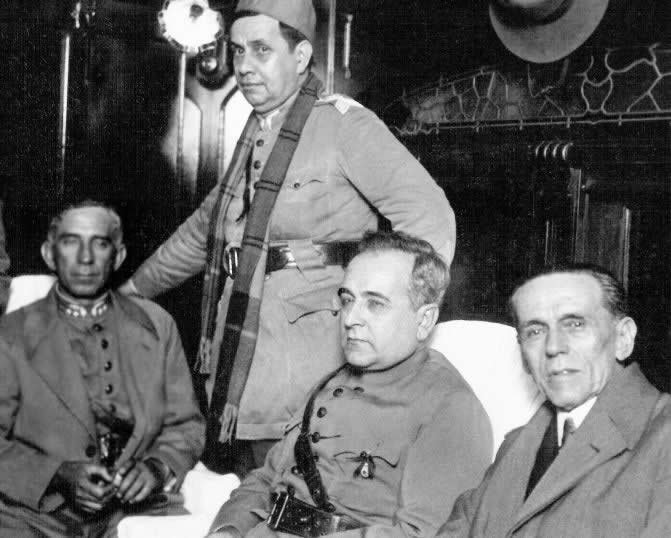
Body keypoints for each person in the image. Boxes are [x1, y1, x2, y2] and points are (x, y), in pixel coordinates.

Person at [122, 0, 456, 474]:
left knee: (297, 495)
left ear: (300, 58)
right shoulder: (257, 136)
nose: (244, 66)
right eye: (238, 51)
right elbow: (201, 233)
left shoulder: (345, 125)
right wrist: (131, 293)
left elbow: (430, 218)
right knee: (248, 493)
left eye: (262, 50)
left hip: (312, 368)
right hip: (242, 367)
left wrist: (396, 322)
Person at [203, 231, 491, 538]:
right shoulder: (332, 383)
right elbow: (265, 480)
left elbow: (423, 534)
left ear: (424, 320)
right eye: (347, 299)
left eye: (375, 304)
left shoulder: (449, 407)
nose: (350, 318)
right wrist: (228, 530)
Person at [0, 201, 204, 537]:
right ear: (50, 255)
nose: (85, 258)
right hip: (34, 515)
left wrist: (156, 468)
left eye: (100, 244)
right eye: (71, 243)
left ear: (118, 256)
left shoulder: (157, 325)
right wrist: (58, 475)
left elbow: (185, 426)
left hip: (133, 510)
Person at [439, 264, 671, 537]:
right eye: (535, 331)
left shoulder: (661, 437)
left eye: (575, 324)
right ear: (524, 357)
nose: (553, 347)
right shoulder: (516, 446)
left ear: (623, 338)